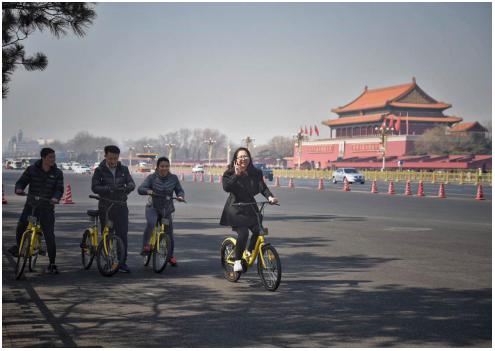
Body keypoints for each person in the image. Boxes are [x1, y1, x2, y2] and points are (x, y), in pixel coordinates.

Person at [220, 147, 278, 272]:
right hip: (235, 209)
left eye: (245, 156)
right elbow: (226, 187)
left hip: (250, 207)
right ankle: (236, 261)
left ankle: (250, 252)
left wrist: (270, 197)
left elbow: (263, 188)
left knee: (259, 230)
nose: (243, 159)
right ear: (236, 159)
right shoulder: (229, 173)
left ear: (249, 158)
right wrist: (236, 174)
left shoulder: (256, 172)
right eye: (240, 157)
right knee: (244, 233)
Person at [8, 148, 64, 274]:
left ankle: (52, 263)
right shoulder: (32, 169)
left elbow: (59, 189)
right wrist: (19, 189)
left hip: (47, 208)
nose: (53, 159)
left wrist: (55, 197)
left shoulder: (57, 173)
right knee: (21, 226)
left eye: (54, 157)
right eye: (50, 157)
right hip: (31, 206)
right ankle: (19, 247)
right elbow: (21, 182)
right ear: (43, 158)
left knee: (49, 235)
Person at [91, 145, 135, 273]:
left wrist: (128, 188)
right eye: (110, 158)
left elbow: (131, 183)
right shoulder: (99, 170)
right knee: (107, 234)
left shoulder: (124, 169)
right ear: (105, 156)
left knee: (122, 235)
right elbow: (94, 187)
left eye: (115, 158)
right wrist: (107, 189)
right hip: (106, 207)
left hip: (121, 206)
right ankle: (107, 260)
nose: (113, 161)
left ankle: (122, 263)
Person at [137, 157, 185, 266]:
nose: (164, 168)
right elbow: (140, 189)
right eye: (162, 166)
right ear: (157, 167)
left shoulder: (174, 178)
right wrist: (148, 191)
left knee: (169, 234)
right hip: (152, 207)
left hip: (166, 209)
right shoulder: (151, 178)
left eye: (167, 166)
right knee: (151, 223)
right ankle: (146, 245)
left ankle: (170, 255)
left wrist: (180, 196)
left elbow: (179, 190)